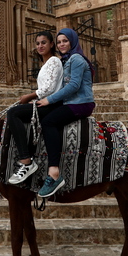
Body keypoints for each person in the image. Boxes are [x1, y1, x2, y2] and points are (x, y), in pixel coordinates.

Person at [35, 28, 95, 198]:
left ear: (73, 42)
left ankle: (54, 173)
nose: (61, 44)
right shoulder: (65, 60)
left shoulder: (76, 59)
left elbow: (73, 86)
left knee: (49, 122)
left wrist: (49, 100)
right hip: (70, 102)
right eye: (59, 41)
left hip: (81, 103)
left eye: (65, 41)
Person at [6, 31, 62, 185]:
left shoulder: (54, 61)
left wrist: (29, 96)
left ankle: (26, 160)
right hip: (42, 102)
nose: (40, 46)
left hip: (51, 104)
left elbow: (50, 88)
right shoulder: (45, 64)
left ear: (51, 44)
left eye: (44, 42)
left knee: (13, 114)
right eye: (37, 43)